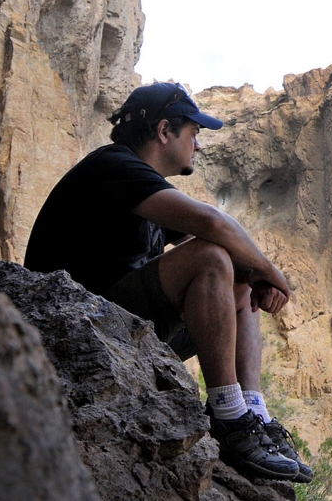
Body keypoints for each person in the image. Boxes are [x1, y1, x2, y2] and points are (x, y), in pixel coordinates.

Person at [25, 82, 313, 482]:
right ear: (164, 131)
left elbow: (223, 244)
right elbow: (212, 223)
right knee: (211, 256)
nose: (198, 146)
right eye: (194, 134)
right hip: (80, 324)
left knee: (238, 279)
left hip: (122, 326)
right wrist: (272, 271)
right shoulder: (113, 166)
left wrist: (253, 276)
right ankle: (228, 418)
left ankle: (252, 415)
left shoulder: (140, 186)